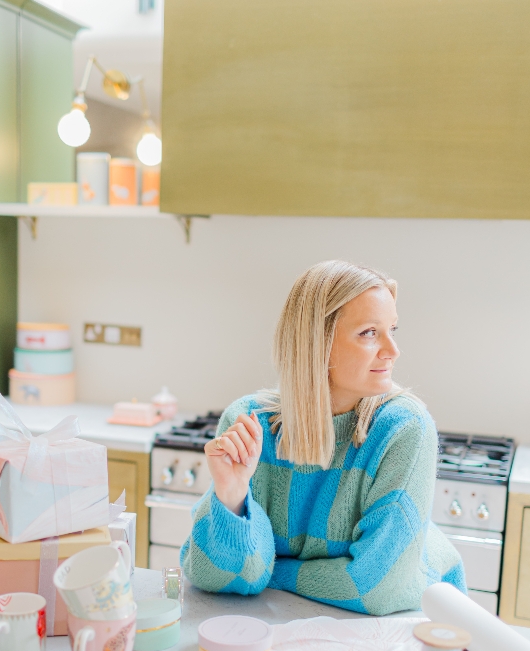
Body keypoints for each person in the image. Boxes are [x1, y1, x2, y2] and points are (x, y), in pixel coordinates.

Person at [180, 259, 466, 615]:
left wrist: (272, 571)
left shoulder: (404, 428)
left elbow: (375, 589)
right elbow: (216, 578)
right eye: (369, 333)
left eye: (392, 329)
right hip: (295, 620)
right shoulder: (250, 425)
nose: (393, 350)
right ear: (318, 342)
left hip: (409, 627)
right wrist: (232, 496)